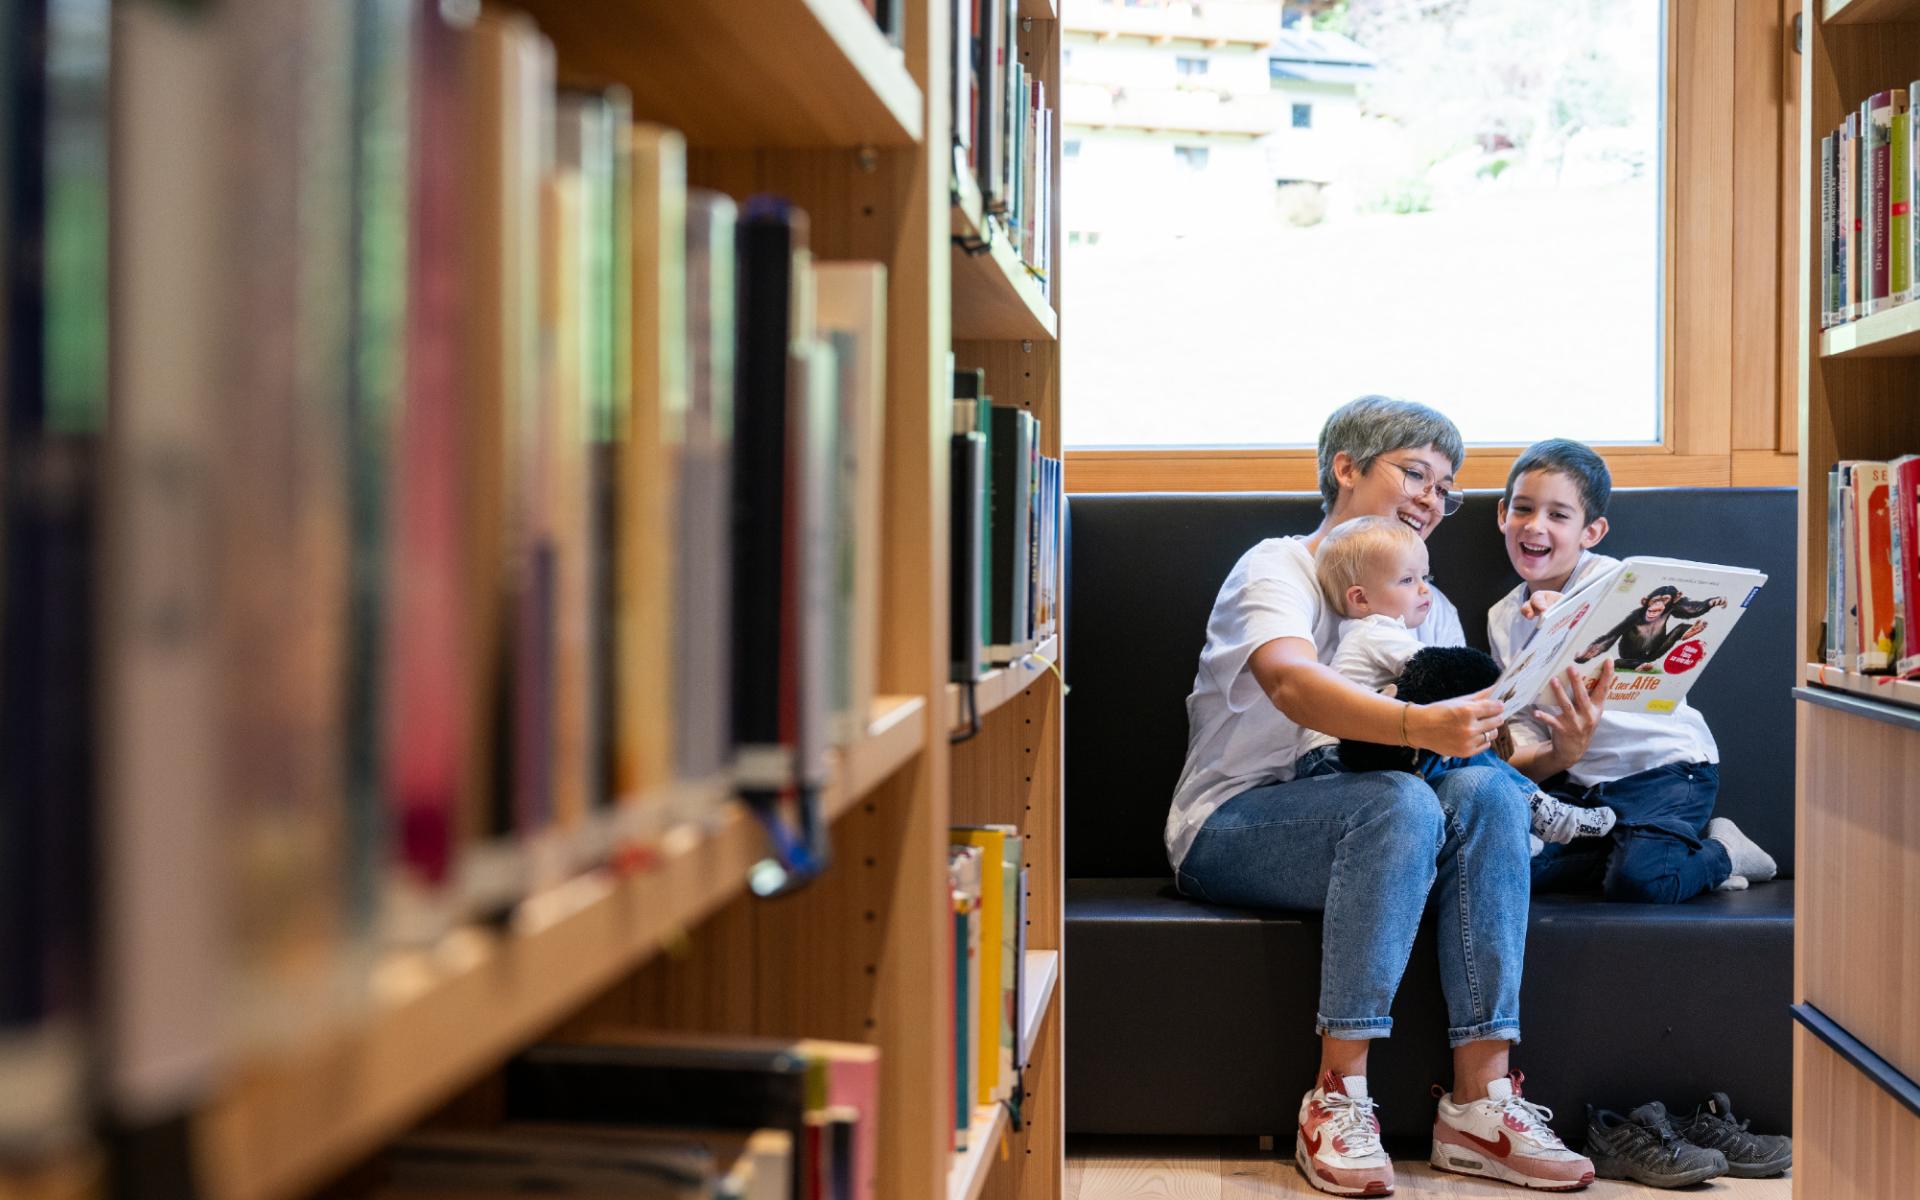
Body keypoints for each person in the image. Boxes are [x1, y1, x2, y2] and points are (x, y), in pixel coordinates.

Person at [1168, 397, 1596, 1195]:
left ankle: (1481, 1103)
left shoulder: (1431, 605)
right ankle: (1336, 1098)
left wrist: (1556, 752)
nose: (1433, 498)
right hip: (1235, 823)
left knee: (1485, 798)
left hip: (1387, 817)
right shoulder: (1280, 564)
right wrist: (1419, 727)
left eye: (1446, 487)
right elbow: (1292, 682)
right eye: (1416, 474)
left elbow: (1469, 761)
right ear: (1346, 469)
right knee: (1398, 801)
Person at [1489, 438, 1778, 903]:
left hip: (1665, 771)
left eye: (1558, 515)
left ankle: (1724, 850)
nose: (1535, 526)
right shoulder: (1502, 618)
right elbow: (1522, 719)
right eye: (1523, 509)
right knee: (1513, 866)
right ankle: (1623, 844)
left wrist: (1560, 612)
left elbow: (1601, 625)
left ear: (1592, 531)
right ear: (1503, 514)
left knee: (1639, 881)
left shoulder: (1618, 579)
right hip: (1583, 788)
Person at [1305, 514, 1617, 849]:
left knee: (1448, 748)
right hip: (1335, 755)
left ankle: (1519, 820)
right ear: (1360, 598)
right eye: (1408, 580)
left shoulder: (1366, 633)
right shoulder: (1375, 630)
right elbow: (1440, 667)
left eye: (1426, 576)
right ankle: (1537, 808)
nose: (1425, 589)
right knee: (1455, 742)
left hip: (1340, 755)